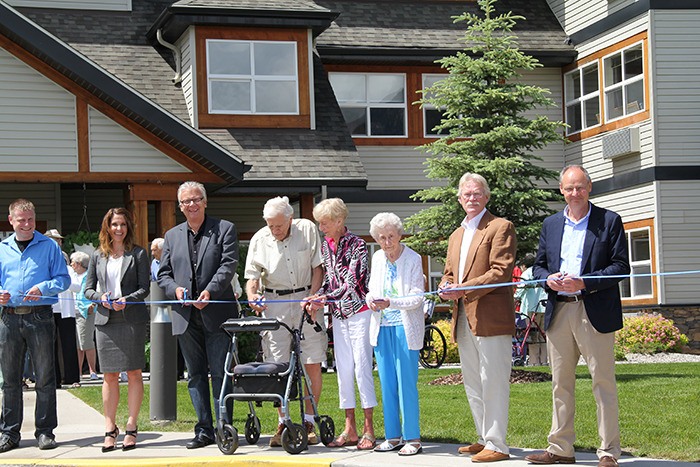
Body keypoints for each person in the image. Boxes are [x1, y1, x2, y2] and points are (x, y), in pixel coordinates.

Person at [525, 165, 630, 467]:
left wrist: (585, 281)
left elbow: (621, 266)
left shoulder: (609, 221)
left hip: (593, 310)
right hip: (559, 310)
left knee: (603, 383)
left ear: (590, 187)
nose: (574, 193)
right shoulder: (551, 224)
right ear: (561, 189)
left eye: (580, 187)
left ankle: (608, 451)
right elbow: (539, 266)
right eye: (569, 188)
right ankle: (560, 448)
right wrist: (549, 279)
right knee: (561, 383)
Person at [438, 173, 517, 463]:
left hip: (490, 317)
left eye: (476, 193)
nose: (471, 198)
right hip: (462, 316)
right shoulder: (456, 235)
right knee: (472, 380)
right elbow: (449, 272)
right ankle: (485, 437)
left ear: (486, 197)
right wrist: (446, 286)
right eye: (466, 194)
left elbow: (501, 270)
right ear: (459, 199)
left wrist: (464, 288)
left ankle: (498, 444)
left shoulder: (500, 227)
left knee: (493, 379)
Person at [157, 181, 239, 449]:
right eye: (186, 202)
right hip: (185, 315)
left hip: (216, 313)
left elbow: (228, 265)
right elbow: (163, 274)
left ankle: (224, 428)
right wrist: (175, 290)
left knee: (220, 373)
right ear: (180, 207)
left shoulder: (224, 229)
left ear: (205, 201)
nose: (191, 205)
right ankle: (203, 429)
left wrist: (209, 291)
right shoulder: (171, 236)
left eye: (196, 200)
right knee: (194, 375)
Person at [245, 196, 326, 446]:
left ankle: (310, 420)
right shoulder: (260, 238)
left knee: (311, 360)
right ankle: (283, 422)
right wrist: (252, 295)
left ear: (290, 219)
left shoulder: (308, 229)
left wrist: (313, 296)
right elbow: (252, 277)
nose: (274, 230)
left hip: (306, 298)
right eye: (270, 225)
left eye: (278, 225)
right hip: (274, 302)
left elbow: (318, 268)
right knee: (276, 365)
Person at [304, 198, 377, 451]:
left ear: (338, 220)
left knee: (362, 369)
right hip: (338, 315)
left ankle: (369, 429)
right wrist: (316, 297)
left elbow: (351, 284)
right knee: (343, 370)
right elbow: (330, 281)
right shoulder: (326, 245)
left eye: (324, 223)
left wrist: (323, 298)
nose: (321, 227)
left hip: (359, 312)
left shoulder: (358, 245)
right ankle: (350, 428)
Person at [0, 199, 70, 452]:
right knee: (9, 380)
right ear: (11, 221)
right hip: (9, 318)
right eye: (21, 220)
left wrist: (44, 287)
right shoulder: (2, 248)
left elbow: (63, 279)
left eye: (30, 219)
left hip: (40, 316)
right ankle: (9, 433)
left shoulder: (49, 246)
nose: (27, 224)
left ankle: (45, 431)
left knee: (45, 377)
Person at [84, 207, 150, 452]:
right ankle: (110, 428)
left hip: (131, 319)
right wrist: (101, 297)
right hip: (105, 321)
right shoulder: (97, 255)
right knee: (109, 375)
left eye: (122, 224)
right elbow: (87, 289)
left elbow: (145, 287)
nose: (119, 229)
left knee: (133, 372)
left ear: (128, 227)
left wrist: (128, 299)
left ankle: (132, 427)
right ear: (107, 227)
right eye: (114, 225)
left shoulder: (139, 254)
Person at [366, 213, 425, 456]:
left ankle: (413, 437)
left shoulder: (413, 258)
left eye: (391, 236)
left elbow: (417, 296)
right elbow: (371, 288)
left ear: (400, 235)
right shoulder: (378, 257)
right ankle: (392, 436)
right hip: (382, 328)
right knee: (387, 383)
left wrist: (390, 302)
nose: (387, 242)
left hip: (405, 328)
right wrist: (371, 299)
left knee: (406, 384)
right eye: (382, 238)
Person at [45, 229, 81, 389]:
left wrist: (62, 282)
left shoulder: (68, 269)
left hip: (65, 311)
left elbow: (78, 286)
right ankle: (54, 379)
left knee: (68, 344)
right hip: (48, 309)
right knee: (49, 346)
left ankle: (72, 377)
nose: (56, 242)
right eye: (53, 239)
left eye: (58, 240)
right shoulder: (44, 265)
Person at [514, 252, 548, 366]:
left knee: (533, 336)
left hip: (532, 308)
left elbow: (521, 289)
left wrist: (515, 298)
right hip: (545, 306)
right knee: (544, 335)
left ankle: (534, 361)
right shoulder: (543, 271)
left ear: (524, 265)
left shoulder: (527, 273)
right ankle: (544, 360)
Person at [70, 251, 99, 380]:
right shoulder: (73, 276)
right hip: (73, 311)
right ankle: (79, 372)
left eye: (73, 262)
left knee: (86, 342)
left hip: (85, 312)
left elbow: (96, 291)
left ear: (78, 264)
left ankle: (93, 371)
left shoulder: (89, 276)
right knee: (78, 344)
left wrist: (92, 306)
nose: (71, 264)